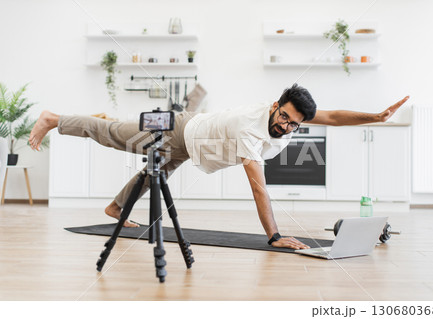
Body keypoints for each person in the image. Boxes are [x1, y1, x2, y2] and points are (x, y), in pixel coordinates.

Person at [29, 84, 409, 250]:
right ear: (276, 105)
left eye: (295, 124)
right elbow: (259, 187)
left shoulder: (291, 117)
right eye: (286, 119)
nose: (288, 127)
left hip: (189, 138)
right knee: (113, 133)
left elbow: (334, 116)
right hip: (177, 127)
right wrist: (275, 236)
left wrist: (374, 116)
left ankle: (116, 208)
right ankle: (54, 119)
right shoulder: (251, 130)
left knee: (156, 171)